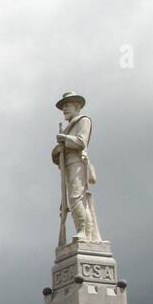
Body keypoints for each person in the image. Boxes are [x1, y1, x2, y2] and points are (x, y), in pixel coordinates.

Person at [51, 90, 100, 242]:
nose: (64, 109)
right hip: (67, 166)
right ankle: (84, 231)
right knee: (71, 200)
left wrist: (64, 139)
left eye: (67, 105)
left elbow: (81, 142)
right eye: (63, 106)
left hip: (78, 162)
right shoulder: (67, 128)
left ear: (77, 106)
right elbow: (57, 154)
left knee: (76, 197)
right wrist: (56, 151)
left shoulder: (84, 120)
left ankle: (84, 232)